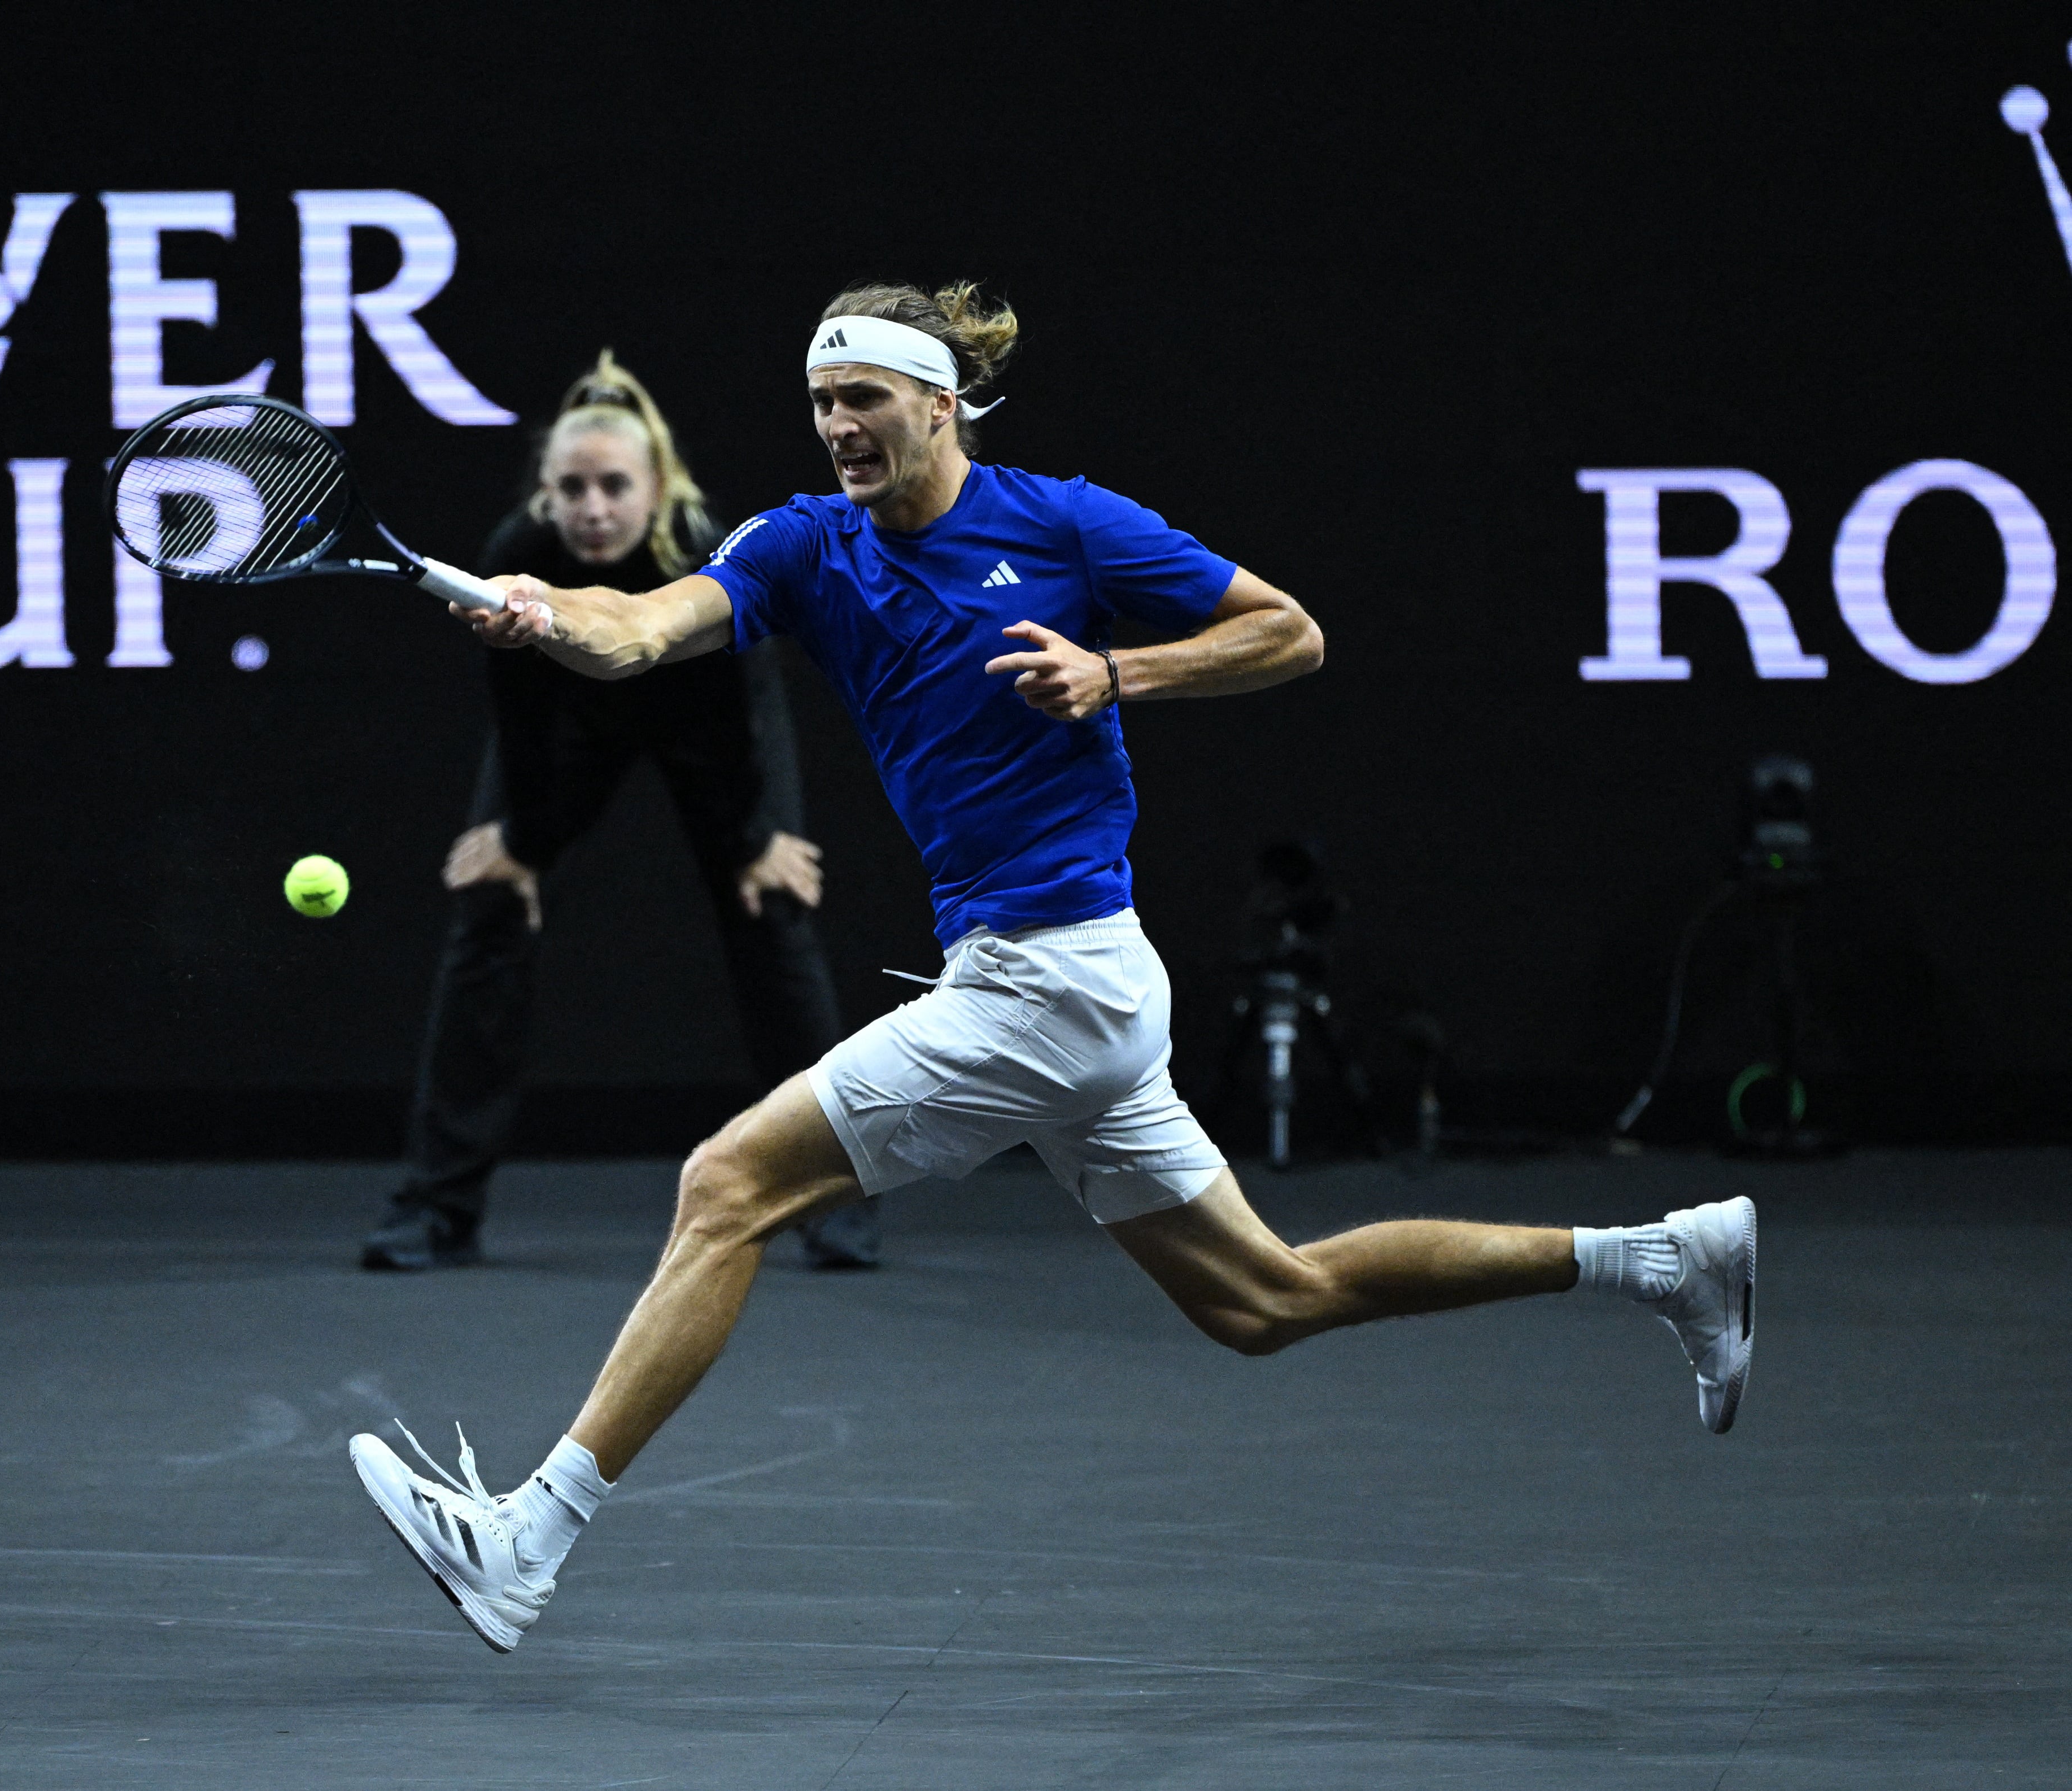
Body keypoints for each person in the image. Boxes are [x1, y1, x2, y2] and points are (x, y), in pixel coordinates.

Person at [349, 284, 1759, 1653]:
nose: (837, 424)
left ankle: (525, 1539)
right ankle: (1661, 1258)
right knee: (1264, 1300)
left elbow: (1290, 630)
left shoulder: (1068, 521)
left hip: (1055, 980)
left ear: (941, 403)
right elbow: (646, 629)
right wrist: (549, 610)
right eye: (820, 400)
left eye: (864, 397)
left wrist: (1115, 671)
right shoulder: (803, 547)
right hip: (1056, 987)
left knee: (726, 1182)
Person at [361, 353, 880, 1273]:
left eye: (614, 486)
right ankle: (434, 1209)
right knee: (490, 904)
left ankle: (834, 1205)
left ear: (658, 487)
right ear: (545, 496)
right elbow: (519, 724)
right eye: (573, 490)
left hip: (709, 722)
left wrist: (762, 839)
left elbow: (740, 721)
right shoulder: (514, 560)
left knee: (775, 910)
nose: (594, 508)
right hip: (568, 727)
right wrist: (521, 844)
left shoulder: (700, 544)